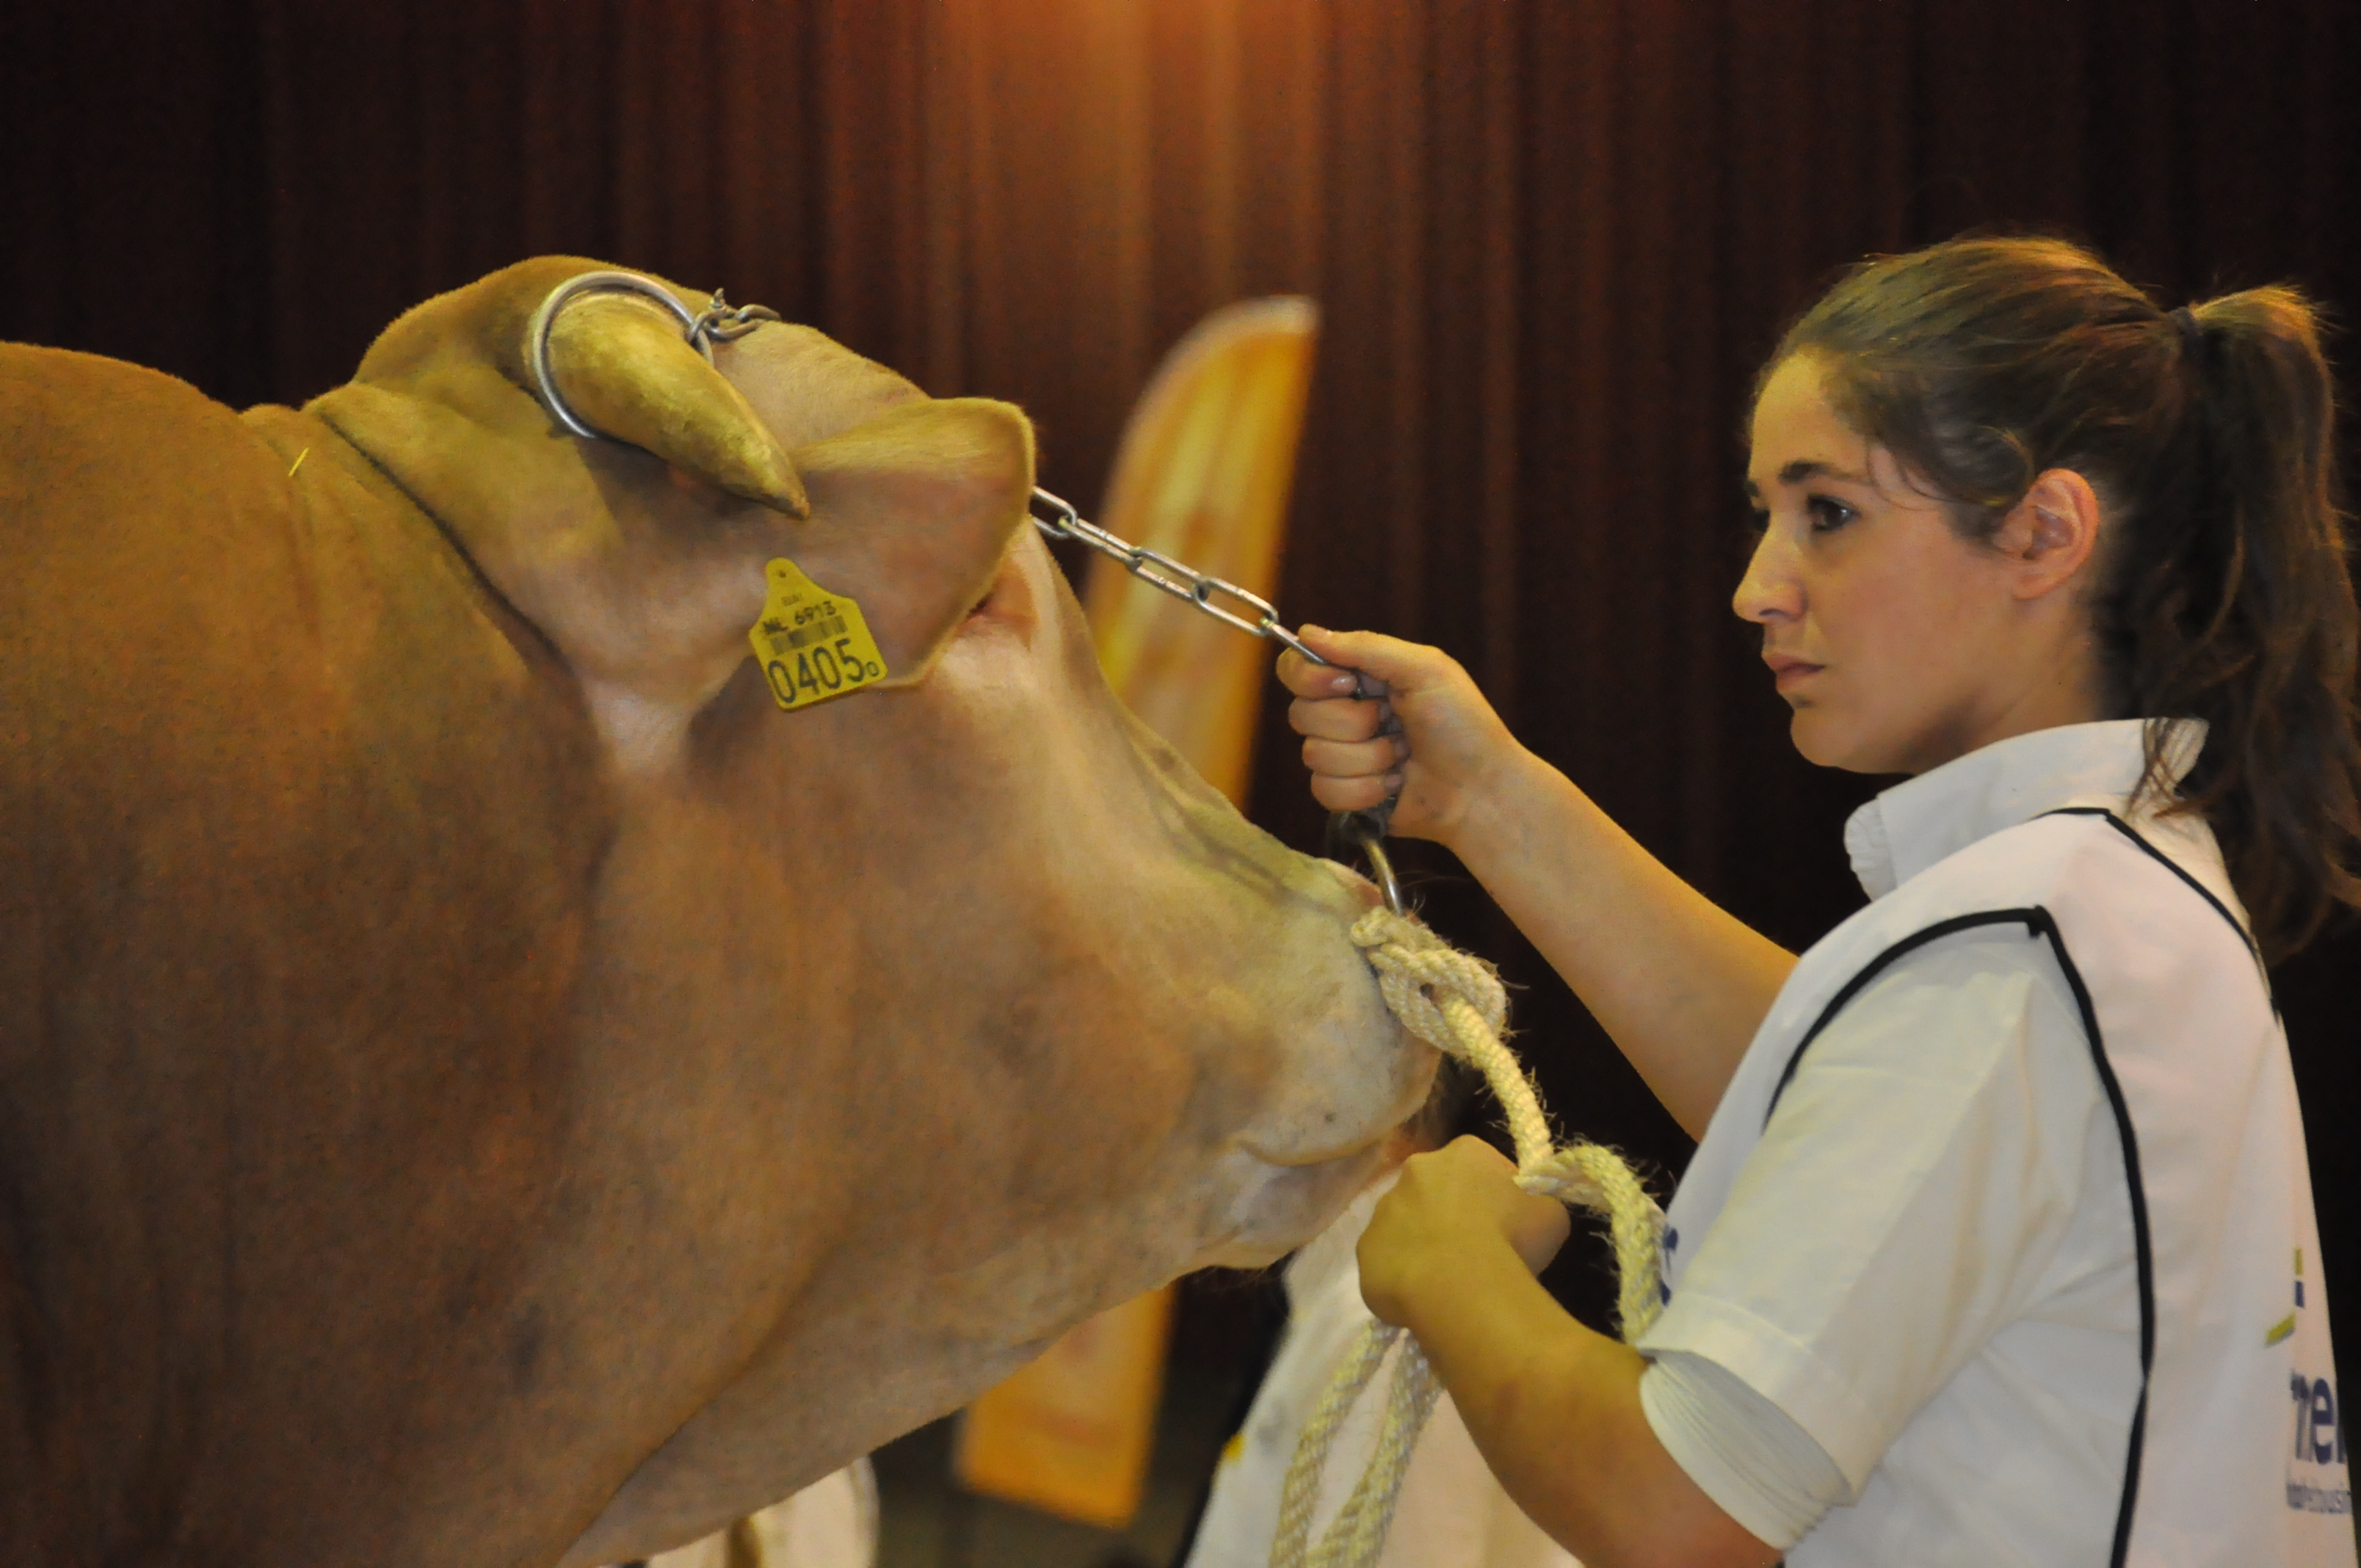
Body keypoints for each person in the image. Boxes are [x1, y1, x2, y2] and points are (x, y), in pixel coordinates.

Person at [1277, 236, 2358, 1568]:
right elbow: (1842, 1110)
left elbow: (1673, 1510)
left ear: (2042, 531)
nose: (1756, 589)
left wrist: (1447, 1269)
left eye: (1827, 512)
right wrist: (1491, 801)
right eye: (1764, 514)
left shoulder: (2022, 944)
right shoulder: (2107, 901)